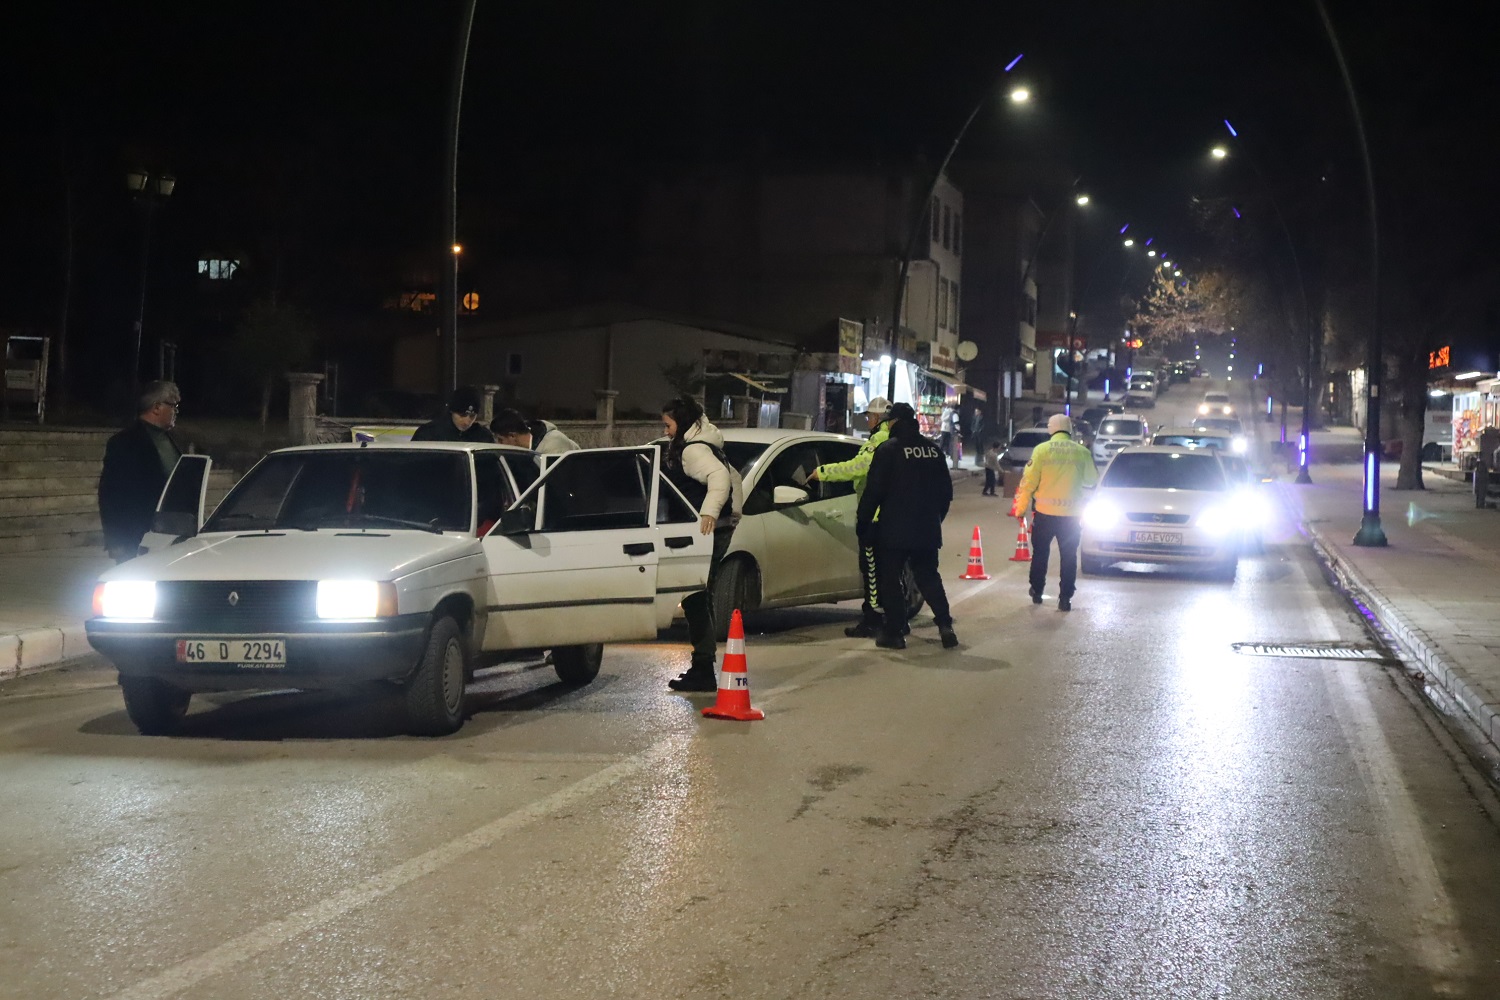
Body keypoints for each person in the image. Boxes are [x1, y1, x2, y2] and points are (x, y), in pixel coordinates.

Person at [659, 397, 745, 692]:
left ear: (681, 422)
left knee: (696, 595)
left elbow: (720, 477)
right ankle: (703, 666)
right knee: (700, 594)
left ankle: (703, 670)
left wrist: (709, 511)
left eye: (668, 425)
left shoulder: (694, 449)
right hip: (715, 528)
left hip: (709, 529)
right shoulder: (703, 444)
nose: (666, 431)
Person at [857, 409, 958, 650]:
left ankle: (895, 631)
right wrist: (934, 519)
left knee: (890, 579)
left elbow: (874, 492)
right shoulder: (933, 450)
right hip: (927, 528)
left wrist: (864, 523)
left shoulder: (889, 450)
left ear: (894, 422)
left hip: (894, 529)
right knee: (928, 576)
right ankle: (945, 625)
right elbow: (946, 494)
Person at [808, 396, 899, 637]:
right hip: (892, 516)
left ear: (878, 418)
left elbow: (857, 467)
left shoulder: (878, 440)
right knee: (888, 572)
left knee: (871, 570)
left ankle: (873, 619)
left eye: (869, 416)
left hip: (875, 518)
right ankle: (895, 619)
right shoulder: (897, 440)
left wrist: (823, 472)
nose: (868, 420)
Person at [1011, 413, 1098, 611]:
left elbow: (1028, 482)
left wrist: (1020, 507)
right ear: (1069, 429)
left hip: (1044, 514)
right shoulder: (1081, 451)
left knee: (1040, 553)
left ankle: (1037, 590)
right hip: (1071, 516)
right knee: (1068, 556)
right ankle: (1065, 597)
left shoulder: (1041, 450)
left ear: (1051, 428)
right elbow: (1091, 480)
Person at [98, 380, 182, 563]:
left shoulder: (172, 441)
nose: (176, 410)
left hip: (171, 536)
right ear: (157, 407)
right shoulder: (124, 443)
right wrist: (116, 541)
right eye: (173, 405)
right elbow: (111, 495)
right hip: (136, 537)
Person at [412, 386, 493, 443]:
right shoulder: (429, 433)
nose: (467, 422)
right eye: (462, 415)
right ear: (451, 411)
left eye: (472, 416)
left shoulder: (483, 436)